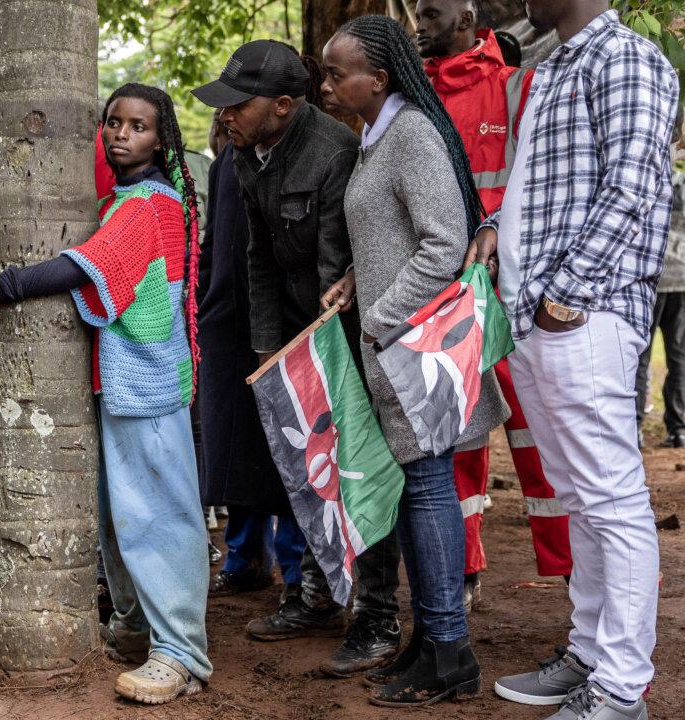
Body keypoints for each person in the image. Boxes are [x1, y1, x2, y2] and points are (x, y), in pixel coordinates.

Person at [0, 83, 210, 706]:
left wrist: (9, 284)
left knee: (159, 518)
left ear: (163, 138)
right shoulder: (121, 198)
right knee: (121, 515)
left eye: (139, 126)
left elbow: (86, 265)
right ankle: (134, 627)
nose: (121, 134)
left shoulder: (150, 205)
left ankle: (180, 651)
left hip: (150, 385)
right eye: (113, 122)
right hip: (126, 382)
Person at [474, 1, 678, 716]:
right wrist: (499, 229)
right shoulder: (554, 61)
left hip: (581, 317)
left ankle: (621, 689)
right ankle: (590, 657)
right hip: (540, 316)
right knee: (582, 499)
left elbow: (634, 186)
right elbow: (546, 191)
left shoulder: (624, 56)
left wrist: (567, 294)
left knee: (610, 500)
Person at [192, 39, 403, 679]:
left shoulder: (336, 152)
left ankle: (377, 615)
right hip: (286, 326)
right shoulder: (246, 153)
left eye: (237, 105)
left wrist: (320, 343)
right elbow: (257, 256)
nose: (224, 115)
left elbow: (343, 259)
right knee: (298, 464)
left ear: (283, 106)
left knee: (354, 469)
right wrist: (265, 344)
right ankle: (311, 596)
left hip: (343, 327)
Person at [320, 14, 510, 705]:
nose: (328, 83)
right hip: (393, 352)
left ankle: (450, 653)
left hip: (414, 356)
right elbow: (393, 240)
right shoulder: (378, 138)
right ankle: (430, 642)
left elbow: (442, 244)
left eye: (338, 72)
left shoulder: (412, 136)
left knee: (429, 492)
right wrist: (354, 283)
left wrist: (380, 315)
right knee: (417, 493)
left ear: (380, 77)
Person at [416, 0, 573, 599]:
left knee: (543, 440)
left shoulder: (517, 88)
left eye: (431, 13)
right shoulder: (413, 99)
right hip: (442, 297)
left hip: (514, 294)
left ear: (468, 16)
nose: (420, 25)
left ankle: (575, 583)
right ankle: (459, 574)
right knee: (455, 438)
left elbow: (541, 183)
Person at [195, 107, 306, 599]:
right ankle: (245, 559)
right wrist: (203, 305)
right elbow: (214, 243)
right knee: (238, 446)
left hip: (286, 324)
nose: (226, 118)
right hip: (228, 324)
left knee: (293, 450)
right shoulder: (226, 161)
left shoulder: (304, 156)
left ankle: (299, 574)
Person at [636, 111, 685, 450]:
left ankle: (634, 427)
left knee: (638, 357)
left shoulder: (646, 163)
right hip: (680, 280)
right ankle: (679, 427)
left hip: (650, 279)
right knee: (680, 356)